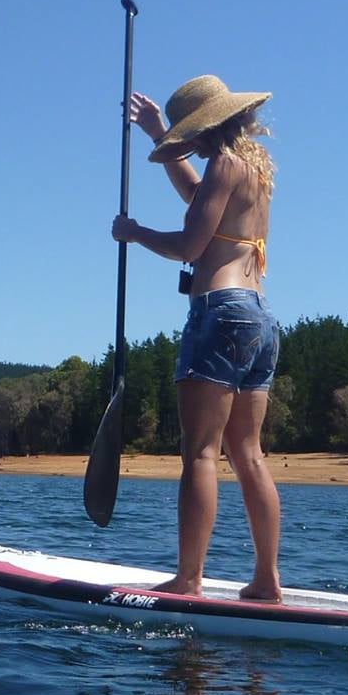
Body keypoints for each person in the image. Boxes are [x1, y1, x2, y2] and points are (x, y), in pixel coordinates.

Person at [111, 75, 283, 601]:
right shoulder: (253, 167)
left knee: (201, 454)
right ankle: (266, 581)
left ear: (207, 128)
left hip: (219, 312)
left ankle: (189, 580)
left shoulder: (224, 164)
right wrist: (158, 134)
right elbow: (196, 199)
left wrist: (134, 233)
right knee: (248, 454)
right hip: (259, 319)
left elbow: (190, 244)